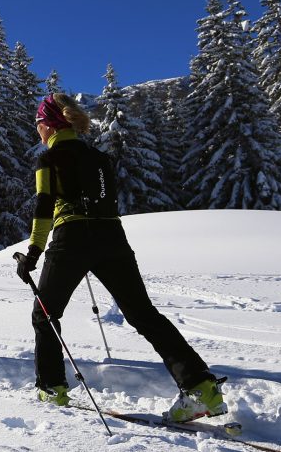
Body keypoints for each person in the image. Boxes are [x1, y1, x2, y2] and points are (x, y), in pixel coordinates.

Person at [16, 93, 226, 422]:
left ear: (51, 125)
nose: (37, 130)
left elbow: (44, 206)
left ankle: (52, 388)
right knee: (143, 315)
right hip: (112, 238)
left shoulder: (49, 159)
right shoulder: (100, 158)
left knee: (45, 315)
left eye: (39, 124)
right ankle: (201, 388)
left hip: (71, 238)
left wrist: (33, 252)